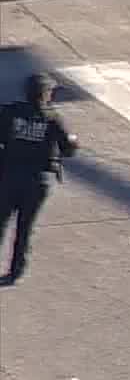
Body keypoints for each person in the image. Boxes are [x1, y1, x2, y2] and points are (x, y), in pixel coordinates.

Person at [0, 72, 78, 284]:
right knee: (24, 228)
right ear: (44, 94)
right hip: (36, 181)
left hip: (8, 177)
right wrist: (73, 141)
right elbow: (68, 149)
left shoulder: (10, 113)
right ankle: (15, 271)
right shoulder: (52, 119)